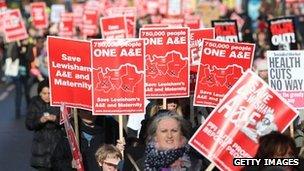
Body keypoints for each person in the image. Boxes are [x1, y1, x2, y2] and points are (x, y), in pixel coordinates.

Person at [51, 109, 123, 171]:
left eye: (91, 110)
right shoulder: (70, 132)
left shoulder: (111, 128)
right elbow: (56, 161)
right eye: (85, 111)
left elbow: (121, 161)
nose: (89, 113)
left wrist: (118, 151)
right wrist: (70, 165)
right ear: (78, 111)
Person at [136, 110, 202, 170]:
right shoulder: (141, 165)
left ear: (182, 134)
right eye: (164, 131)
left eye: (174, 131)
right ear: (155, 136)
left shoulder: (196, 164)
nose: (169, 136)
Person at [25, 79, 62, 170]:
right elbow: (29, 124)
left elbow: (67, 122)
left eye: (49, 93)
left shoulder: (58, 103)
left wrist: (56, 119)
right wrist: (40, 121)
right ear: (39, 93)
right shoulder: (34, 103)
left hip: (57, 144)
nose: (47, 96)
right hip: (40, 147)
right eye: (44, 93)